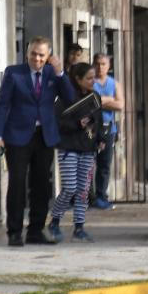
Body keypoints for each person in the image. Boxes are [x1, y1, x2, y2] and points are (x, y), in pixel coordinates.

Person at [0, 36, 74, 246]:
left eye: (41, 55)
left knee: (41, 185)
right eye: (33, 54)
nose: (37, 58)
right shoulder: (13, 73)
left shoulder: (52, 74)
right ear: (27, 53)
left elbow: (70, 98)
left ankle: (35, 231)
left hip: (44, 136)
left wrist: (61, 72)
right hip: (17, 136)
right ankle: (14, 232)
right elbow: (2, 105)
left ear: (48, 56)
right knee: (17, 184)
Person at [48, 63, 105, 242]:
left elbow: (98, 119)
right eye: (88, 78)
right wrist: (76, 125)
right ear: (78, 79)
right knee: (70, 188)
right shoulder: (65, 97)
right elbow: (56, 123)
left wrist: (101, 139)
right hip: (68, 148)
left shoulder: (95, 97)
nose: (92, 81)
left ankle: (79, 227)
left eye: (93, 77)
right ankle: (54, 221)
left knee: (83, 190)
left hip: (88, 149)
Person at [91, 53, 124, 209]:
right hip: (90, 128)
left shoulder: (114, 84)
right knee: (87, 164)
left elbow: (120, 105)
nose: (100, 67)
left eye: (103, 64)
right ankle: (85, 197)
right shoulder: (89, 82)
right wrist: (109, 100)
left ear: (109, 66)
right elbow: (88, 103)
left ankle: (101, 196)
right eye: (97, 63)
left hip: (108, 129)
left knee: (104, 165)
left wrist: (101, 101)